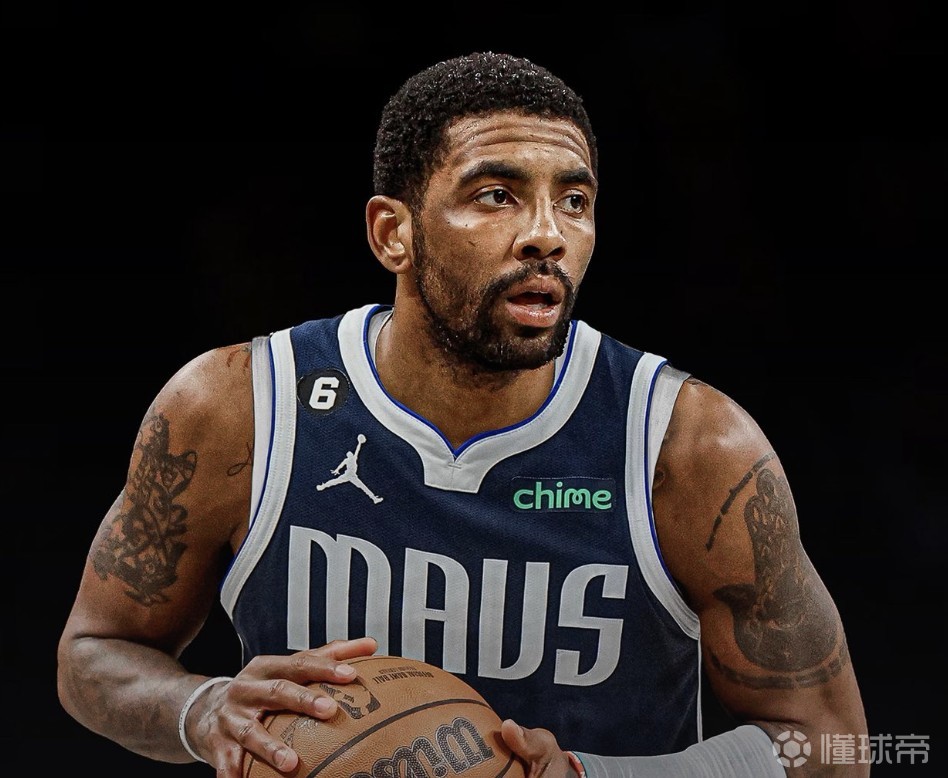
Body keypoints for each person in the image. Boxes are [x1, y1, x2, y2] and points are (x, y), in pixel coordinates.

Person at [57, 51, 868, 777]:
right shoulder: (240, 407)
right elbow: (96, 651)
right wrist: (201, 710)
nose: (547, 235)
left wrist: (594, 776)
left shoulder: (688, 446)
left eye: (574, 200)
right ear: (393, 234)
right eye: (496, 196)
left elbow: (832, 744)